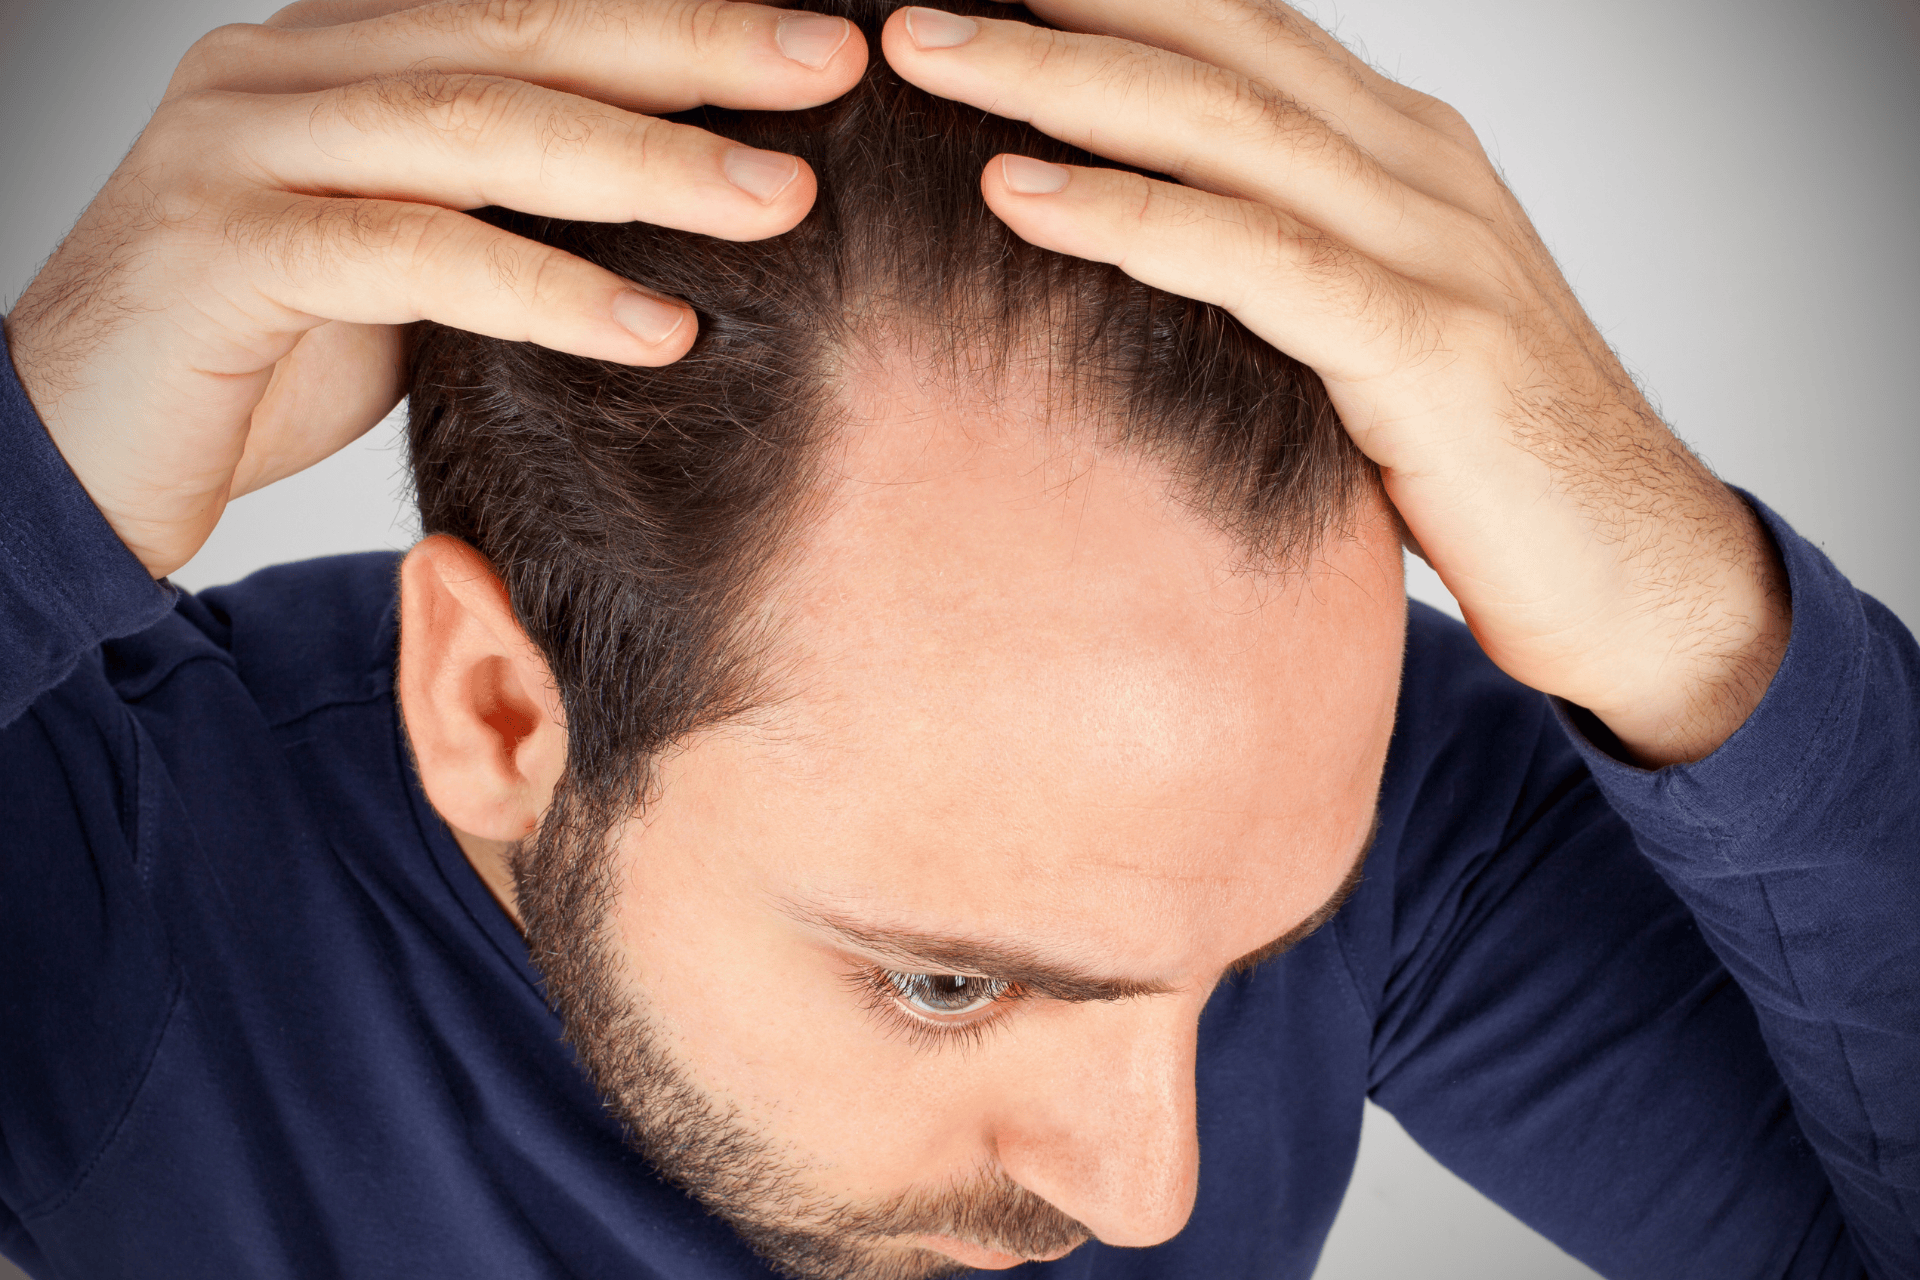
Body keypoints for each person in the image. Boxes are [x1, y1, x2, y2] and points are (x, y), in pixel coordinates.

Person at [0, 1, 1913, 1278]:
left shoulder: (1356, 784)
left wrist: (1700, 622)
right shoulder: (111, 862)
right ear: (498, 708)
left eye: (1260, 963)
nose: (1148, 1195)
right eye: (947, 984)